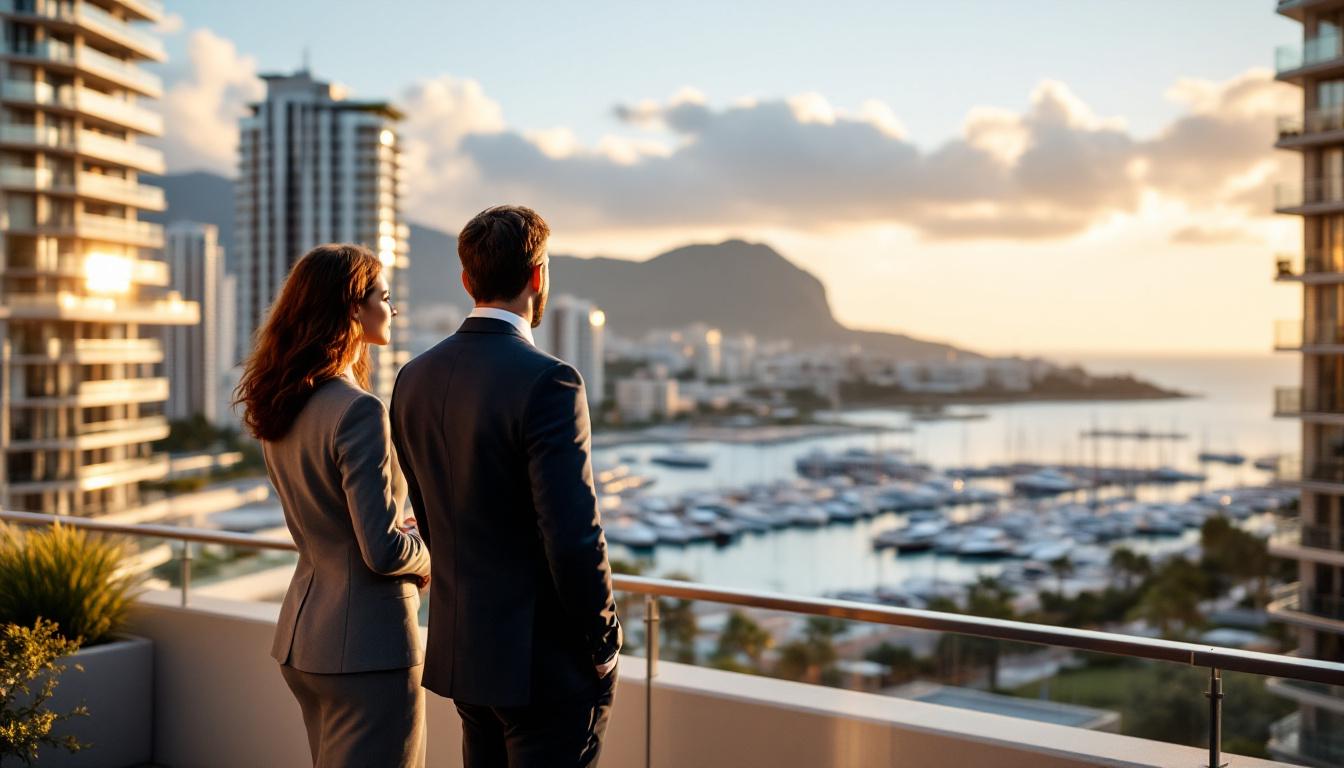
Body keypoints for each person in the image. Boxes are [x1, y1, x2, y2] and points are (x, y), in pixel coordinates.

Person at [391, 206, 621, 768]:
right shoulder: (551, 381)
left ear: (467, 280)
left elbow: (431, 510)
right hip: (545, 666)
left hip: (465, 657)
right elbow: (572, 535)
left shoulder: (412, 378)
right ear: (539, 276)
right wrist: (603, 642)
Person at [236, 243, 431, 767]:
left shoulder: (282, 403)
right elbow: (384, 552)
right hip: (369, 647)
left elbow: (332, 521)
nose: (392, 309)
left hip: (306, 640)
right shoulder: (359, 410)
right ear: (353, 309)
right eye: (384, 297)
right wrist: (428, 553)